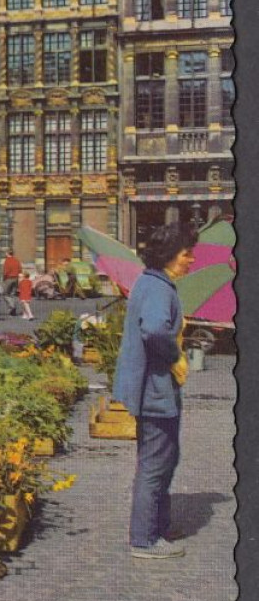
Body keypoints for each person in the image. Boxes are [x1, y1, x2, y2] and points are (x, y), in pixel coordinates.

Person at [113, 222, 198, 560]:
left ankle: (158, 525)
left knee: (165, 458)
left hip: (155, 388)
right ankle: (144, 539)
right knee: (155, 463)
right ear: (168, 256)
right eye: (186, 254)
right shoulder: (160, 288)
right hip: (156, 390)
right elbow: (153, 331)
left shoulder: (152, 283)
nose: (191, 260)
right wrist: (176, 356)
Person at [2, 249, 22, 316]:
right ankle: (12, 310)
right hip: (16, 278)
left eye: (5, 253)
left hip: (9, 278)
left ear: (7, 253)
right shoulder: (16, 260)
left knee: (5, 294)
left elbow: (6, 271)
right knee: (12, 294)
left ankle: (12, 306)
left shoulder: (7, 260)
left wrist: (4, 278)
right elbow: (20, 269)